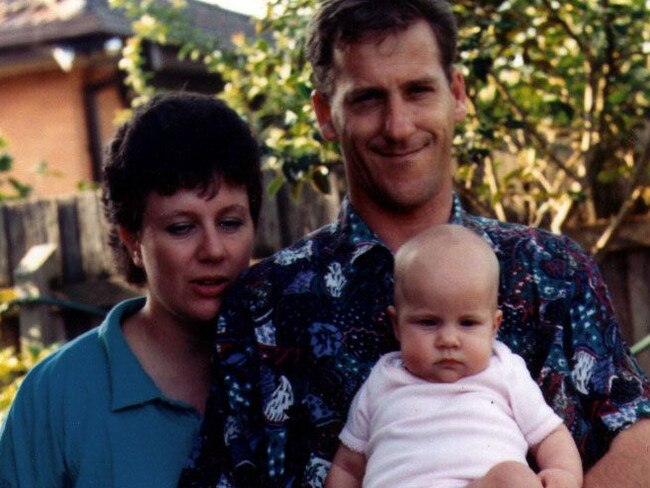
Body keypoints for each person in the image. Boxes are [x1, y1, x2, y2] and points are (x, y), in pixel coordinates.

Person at [179, 1, 650, 487]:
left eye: (418, 90)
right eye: (367, 99)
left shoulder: (554, 271)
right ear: (325, 114)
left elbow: (640, 439)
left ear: (458, 94)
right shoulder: (264, 305)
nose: (398, 126)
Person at [0, 92, 262, 487]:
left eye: (230, 223)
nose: (213, 250)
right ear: (132, 241)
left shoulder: (290, 365)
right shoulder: (58, 395)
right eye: (181, 227)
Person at [325, 224, 583, 488]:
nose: (448, 340)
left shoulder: (505, 371)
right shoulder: (382, 379)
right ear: (397, 324)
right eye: (428, 322)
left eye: (468, 323)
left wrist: (563, 473)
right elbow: (347, 465)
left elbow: (550, 435)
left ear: (494, 327)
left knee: (514, 479)